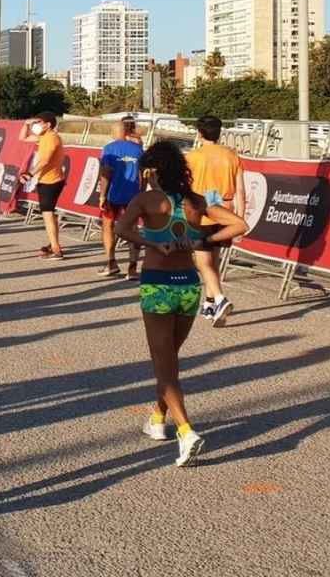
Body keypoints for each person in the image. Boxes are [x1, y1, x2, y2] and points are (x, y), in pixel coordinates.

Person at [110, 141, 246, 467]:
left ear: (152, 171)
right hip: (188, 287)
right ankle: (158, 417)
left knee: (164, 363)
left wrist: (152, 242)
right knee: (169, 359)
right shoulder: (197, 200)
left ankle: (185, 430)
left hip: (157, 285)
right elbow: (240, 225)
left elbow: (121, 228)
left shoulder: (146, 200)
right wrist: (201, 240)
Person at [186, 115, 244, 324]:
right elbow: (240, 190)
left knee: (202, 262)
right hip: (226, 210)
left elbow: (184, 187)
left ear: (200, 133)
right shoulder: (232, 155)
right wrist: (240, 218)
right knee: (214, 258)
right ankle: (209, 303)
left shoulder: (193, 156)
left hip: (203, 212)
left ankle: (220, 298)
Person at [97, 117, 145, 278]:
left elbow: (106, 173)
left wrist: (102, 195)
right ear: (126, 133)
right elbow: (143, 174)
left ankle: (111, 262)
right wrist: (142, 192)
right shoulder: (138, 149)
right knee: (133, 230)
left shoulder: (109, 149)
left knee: (108, 226)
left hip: (113, 194)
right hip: (133, 194)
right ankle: (132, 269)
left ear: (113, 132)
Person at [23, 112, 67, 259]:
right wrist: (26, 124)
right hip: (46, 180)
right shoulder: (44, 137)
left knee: (48, 215)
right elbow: (23, 137)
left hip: (52, 181)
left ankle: (56, 249)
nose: (36, 125)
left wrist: (29, 174)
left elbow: (44, 161)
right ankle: (53, 243)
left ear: (48, 125)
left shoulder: (51, 138)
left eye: (39, 122)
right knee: (49, 215)